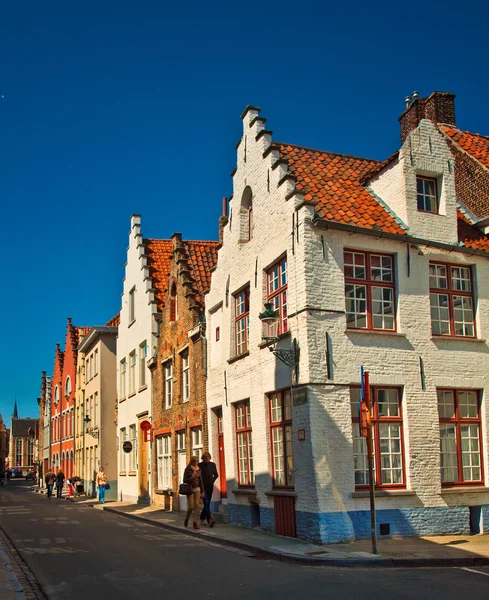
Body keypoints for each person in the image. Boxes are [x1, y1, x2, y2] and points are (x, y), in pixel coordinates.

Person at [183, 456, 204, 530]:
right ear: (191, 462)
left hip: (197, 489)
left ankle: (195, 523)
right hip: (190, 489)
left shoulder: (199, 470)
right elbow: (184, 480)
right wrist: (191, 477)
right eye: (194, 461)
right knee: (191, 506)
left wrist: (202, 491)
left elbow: (201, 481)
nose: (195, 463)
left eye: (196, 461)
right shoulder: (187, 469)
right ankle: (186, 519)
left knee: (197, 505)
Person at [199, 452, 219, 527]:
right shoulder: (200, 465)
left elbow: (216, 474)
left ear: (210, 458)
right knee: (206, 503)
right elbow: (198, 477)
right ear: (203, 458)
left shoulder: (212, 465)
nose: (207, 459)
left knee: (207, 504)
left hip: (210, 486)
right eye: (205, 458)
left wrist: (212, 480)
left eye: (208, 458)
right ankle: (209, 519)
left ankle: (201, 518)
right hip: (203, 487)